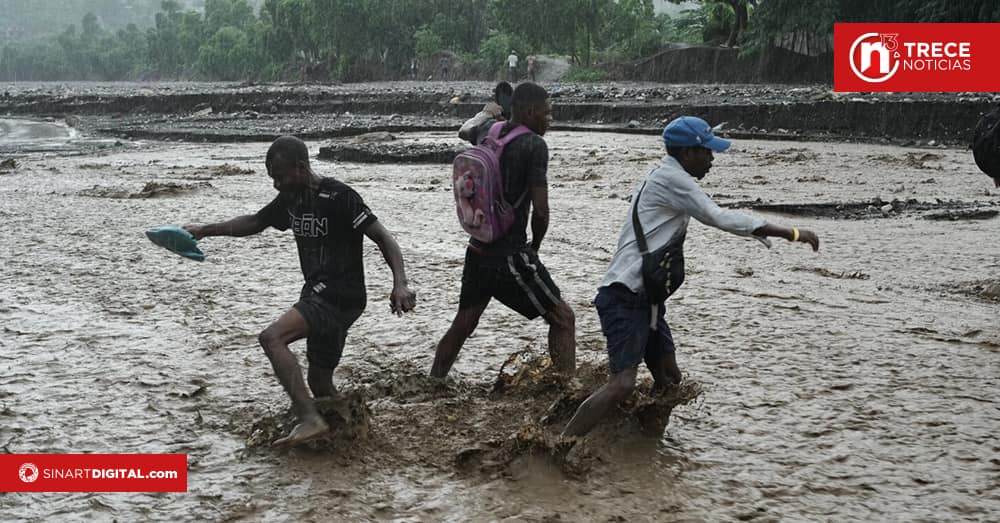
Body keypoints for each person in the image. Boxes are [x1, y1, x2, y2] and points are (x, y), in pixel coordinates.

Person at [561, 116, 820, 438]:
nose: (712, 159)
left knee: (669, 378)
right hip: (626, 295)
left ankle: (644, 447)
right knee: (622, 384)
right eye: (707, 152)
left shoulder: (665, 174)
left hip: (645, 297)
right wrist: (789, 232)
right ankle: (555, 447)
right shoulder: (674, 180)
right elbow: (717, 216)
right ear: (686, 153)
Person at [184, 136, 417, 446]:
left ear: (301, 167)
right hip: (318, 294)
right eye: (272, 179)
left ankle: (310, 420)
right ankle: (350, 431)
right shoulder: (292, 199)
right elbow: (255, 222)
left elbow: (384, 238)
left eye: (280, 177)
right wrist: (204, 230)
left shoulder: (339, 196)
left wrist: (399, 283)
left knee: (272, 338)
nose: (277, 185)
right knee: (319, 383)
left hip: (339, 293)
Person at [432, 82, 576, 378]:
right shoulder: (535, 146)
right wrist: (534, 247)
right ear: (530, 111)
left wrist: (486, 112)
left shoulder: (489, 131)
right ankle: (567, 391)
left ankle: (434, 382)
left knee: (464, 323)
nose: (550, 119)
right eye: (547, 114)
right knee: (563, 319)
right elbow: (541, 210)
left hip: (478, 247)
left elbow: (464, 130)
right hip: (508, 252)